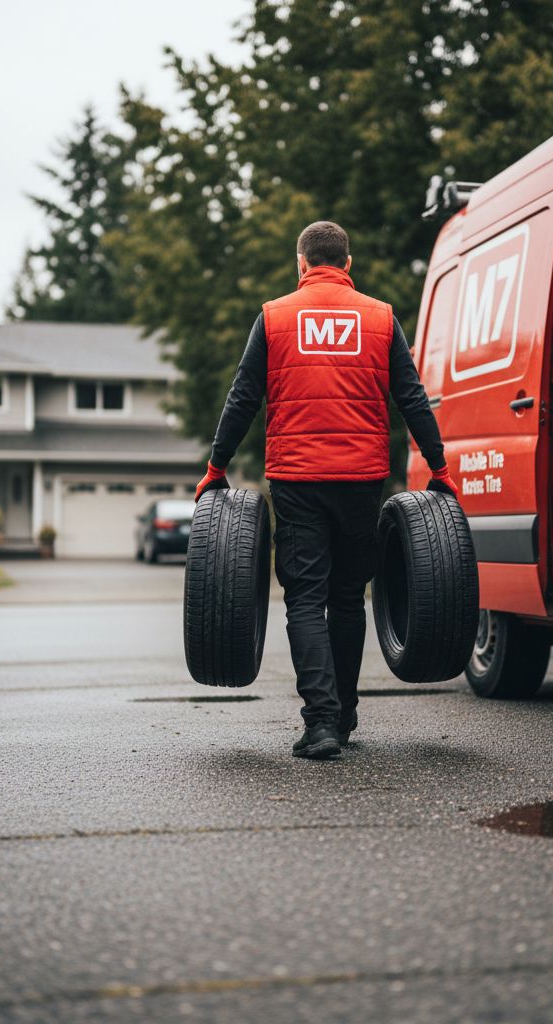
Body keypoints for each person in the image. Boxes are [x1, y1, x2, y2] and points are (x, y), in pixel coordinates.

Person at [195, 221, 459, 760]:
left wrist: (216, 467)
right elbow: (412, 398)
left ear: (301, 262)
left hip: (297, 480)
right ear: (348, 264)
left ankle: (321, 724)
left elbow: (243, 397)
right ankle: (343, 716)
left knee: (306, 600)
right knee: (346, 598)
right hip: (361, 479)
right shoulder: (380, 317)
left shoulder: (275, 317)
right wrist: (440, 468)